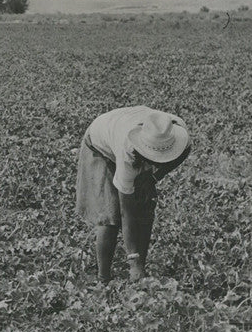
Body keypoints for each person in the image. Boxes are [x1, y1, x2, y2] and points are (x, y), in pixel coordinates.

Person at [75, 106, 191, 283]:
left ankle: (138, 276)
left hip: (122, 126)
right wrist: (132, 261)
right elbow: (126, 212)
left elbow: (184, 153)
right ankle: (103, 279)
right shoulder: (128, 153)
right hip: (99, 144)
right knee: (110, 216)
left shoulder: (177, 136)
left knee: (145, 208)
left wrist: (152, 177)